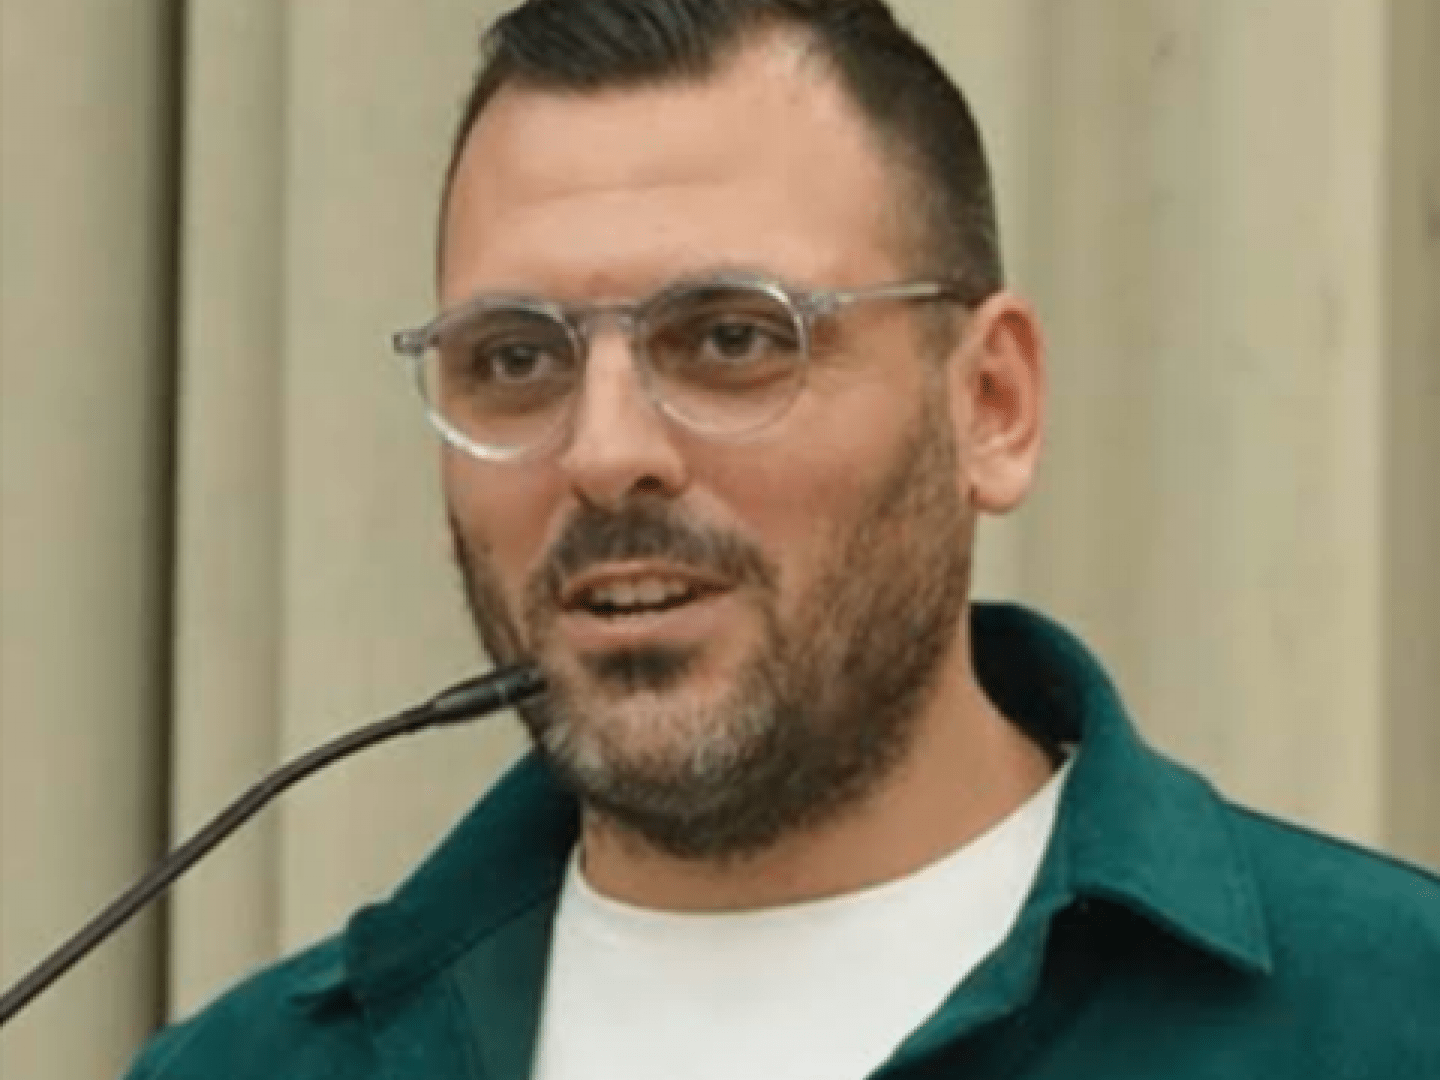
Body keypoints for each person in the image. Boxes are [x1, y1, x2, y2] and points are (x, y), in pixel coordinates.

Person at [126, 1, 1440, 1077]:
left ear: (990, 405)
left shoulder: (1391, 1020)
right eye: (516, 359)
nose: (603, 453)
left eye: (732, 338)